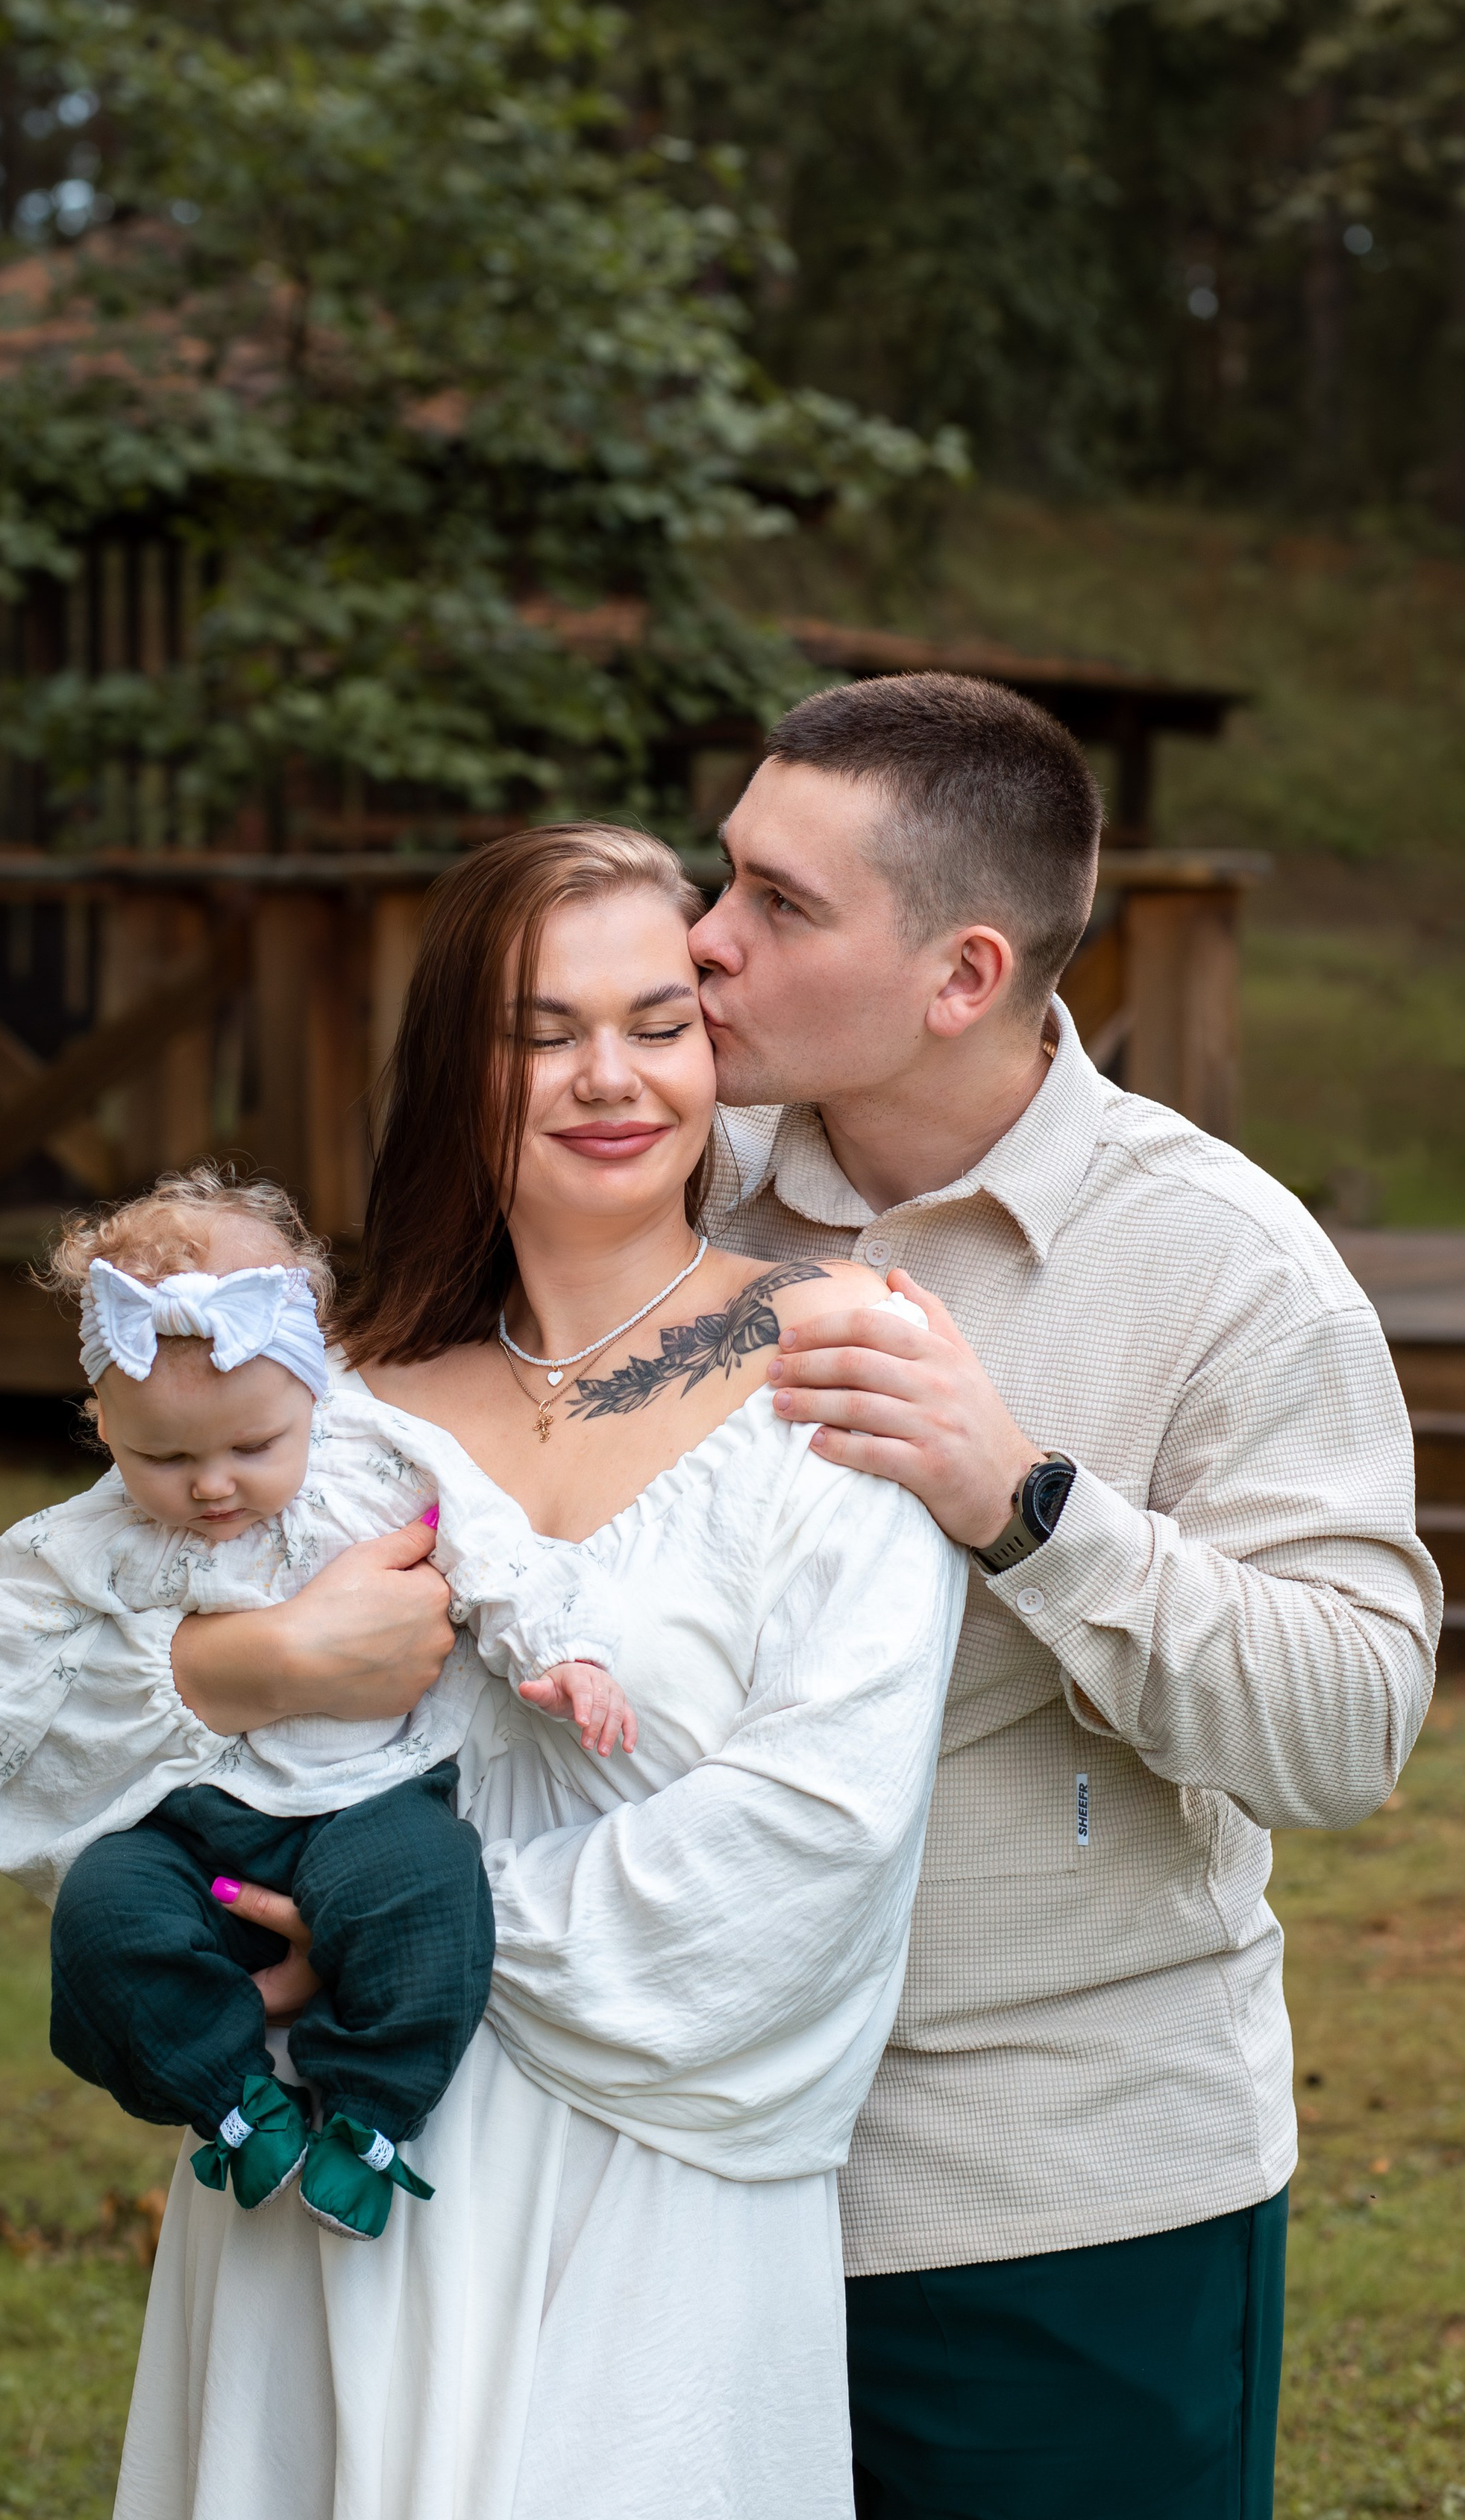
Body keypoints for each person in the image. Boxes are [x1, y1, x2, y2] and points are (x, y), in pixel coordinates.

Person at [115, 821, 970, 2520]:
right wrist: (252, 1664)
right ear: (459, 1061)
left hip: (653, 2179)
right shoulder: (328, 1405)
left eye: (657, 1025)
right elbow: (104, 1725)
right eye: (537, 1031)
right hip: (325, 2168)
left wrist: (406, 1931)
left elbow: (826, 1828)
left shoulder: (837, 1363)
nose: (608, 1078)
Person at [688, 671, 1442, 2520]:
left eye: (778, 907)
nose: (701, 944)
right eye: (723, 880)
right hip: (674, 2174)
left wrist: (1022, 1503)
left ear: (958, 975)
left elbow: (1348, 1729)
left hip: (1055, 2209)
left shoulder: (1224, 1266)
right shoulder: (664, 1196)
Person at [0, 1167, 636, 2245]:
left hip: (368, 1793)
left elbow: (496, 1551)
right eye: (165, 1455)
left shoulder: (376, 1464)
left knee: (431, 1899)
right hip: (189, 1813)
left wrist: (566, 1649)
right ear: (102, 1421)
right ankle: (238, 2102)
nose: (212, 1486)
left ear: (314, 1389)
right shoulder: (86, 1541)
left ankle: (373, 2118)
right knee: (106, 1919)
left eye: (254, 1447)